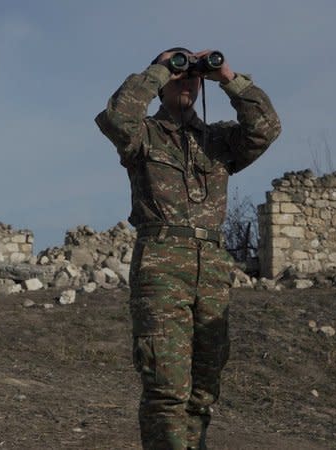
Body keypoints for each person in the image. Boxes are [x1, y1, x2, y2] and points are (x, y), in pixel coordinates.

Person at [94, 47, 281, 449]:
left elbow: (265, 128)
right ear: (162, 84)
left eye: (191, 74)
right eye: (177, 74)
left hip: (212, 271)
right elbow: (116, 118)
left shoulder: (219, 140)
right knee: (166, 388)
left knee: (203, 392)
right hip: (161, 269)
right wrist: (159, 70)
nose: (186, 81)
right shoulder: (143, 134)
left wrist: (228, 77)